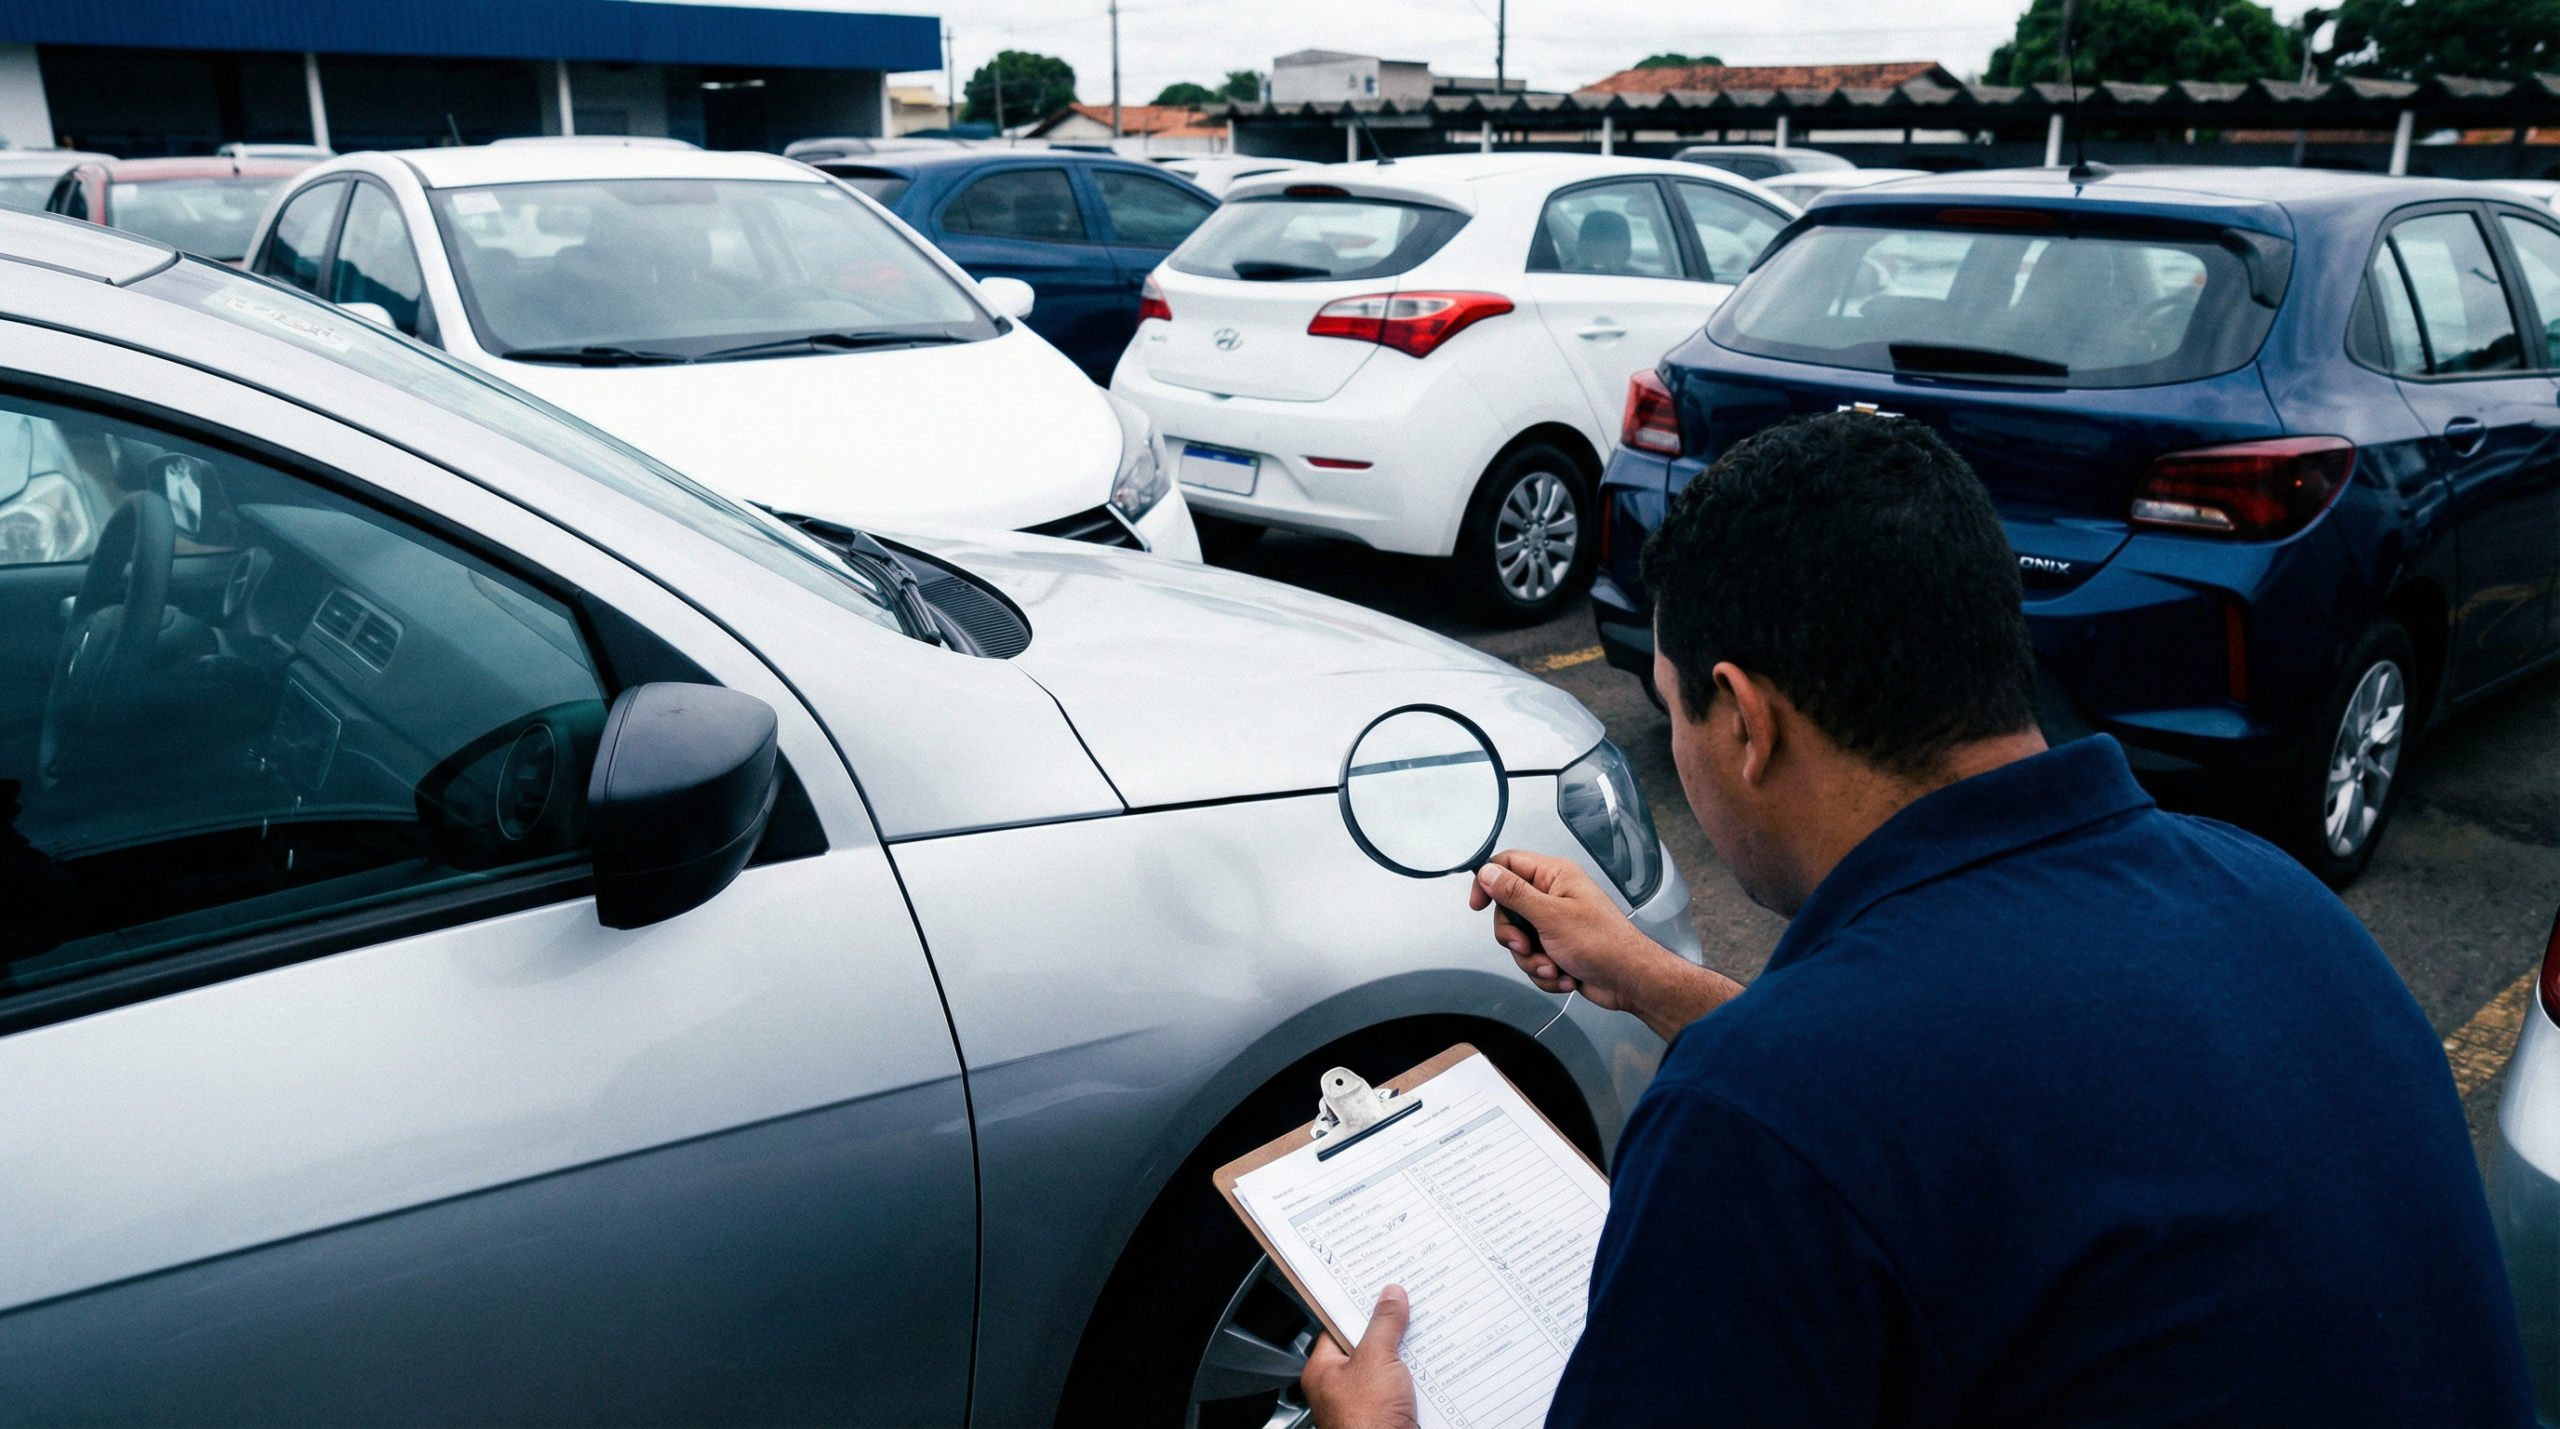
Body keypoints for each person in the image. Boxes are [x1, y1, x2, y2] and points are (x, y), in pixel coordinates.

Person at [1301, 412, 2533, 1426]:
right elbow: (1986, 1101)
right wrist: (1652, 980)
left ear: (1743, 717)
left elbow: (1864, 1108)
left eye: (1672, 708)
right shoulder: (2276, 904)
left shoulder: (1762, 1118)